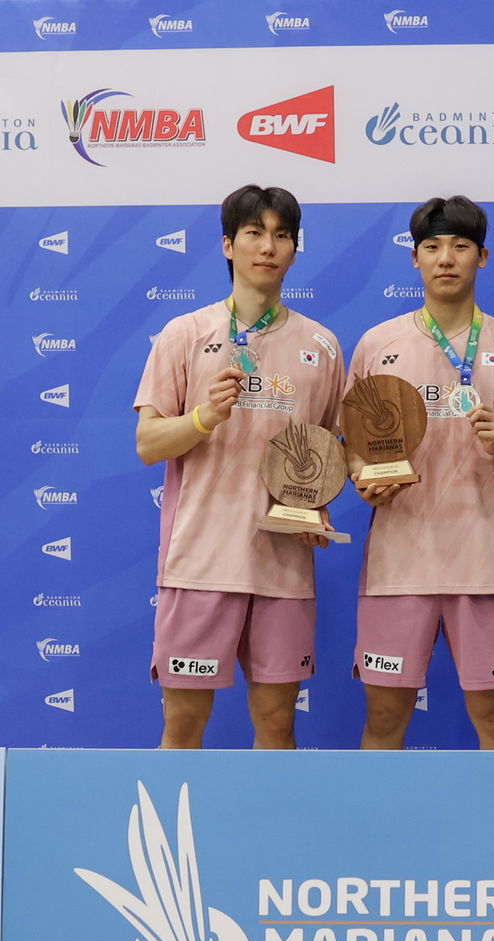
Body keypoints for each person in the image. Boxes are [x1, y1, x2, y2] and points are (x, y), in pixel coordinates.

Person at [133, 184, 344, 749]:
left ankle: (271, 839)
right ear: (228, 245)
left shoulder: (321, 346)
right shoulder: (185, 334)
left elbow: (326, 450)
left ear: (295, 250)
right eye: (253, 233)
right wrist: (203, 417)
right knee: (183, 726)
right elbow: (148, 443)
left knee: (277, 727)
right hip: (200, 562)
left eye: (281, 235)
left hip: (283, 567)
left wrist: (317, 508)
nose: (267, 247)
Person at [345, 195, 494, 750]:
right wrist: (363, 475)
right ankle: (376, 838)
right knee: (384, 723)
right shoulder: (376, 344)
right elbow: (352, 447)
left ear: (482, 257)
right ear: (414, 259)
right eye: (432, 247)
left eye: (460, 246)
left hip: (484, 570)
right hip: (398, 570)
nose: (446, 258)